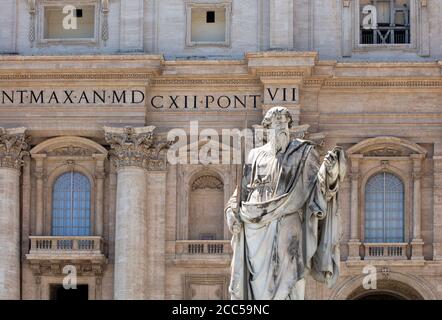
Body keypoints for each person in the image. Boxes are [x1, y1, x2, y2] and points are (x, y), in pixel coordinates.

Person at [225, 106, 347, 300]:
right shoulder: (254, 155)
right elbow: (242, 193)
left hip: (288, 221)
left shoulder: (304, 152)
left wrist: (329, 172)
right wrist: (231, 212)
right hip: (255, 226)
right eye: (276, 121)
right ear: (267, 126)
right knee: (257, 284)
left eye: (285, 121)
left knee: (291, 270)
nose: (281, 125)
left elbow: (316, 186)